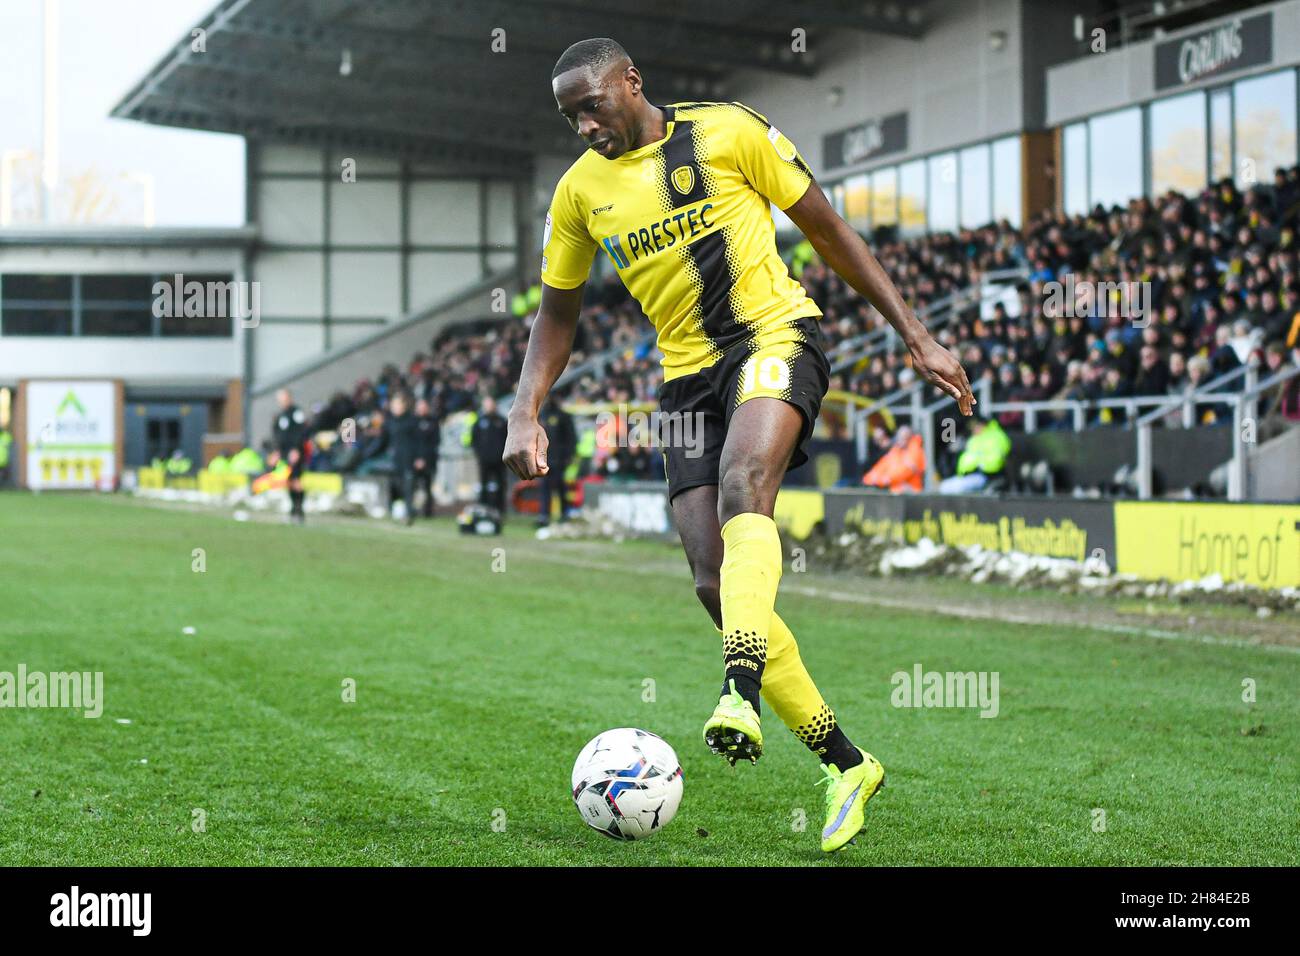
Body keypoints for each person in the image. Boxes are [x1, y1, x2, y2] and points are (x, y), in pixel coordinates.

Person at [503, 38, 973, 853]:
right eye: (570, 116)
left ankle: (739, 689)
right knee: (711, 579)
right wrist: (525, 408)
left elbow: (828, 231)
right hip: (685, 381)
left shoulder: (728, 131)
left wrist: (916, 336)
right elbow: (557, 313)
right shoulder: (578, 192)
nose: (584, 125)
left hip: (773, 335)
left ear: (632, 82)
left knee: (744, 482)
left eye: (593, 105)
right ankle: (848, 764)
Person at [938, 417, 1010, 494]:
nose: (973, 429)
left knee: (952, 488)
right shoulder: (974, 439)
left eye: (975, 426)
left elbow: (995, 461)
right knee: (944, 486)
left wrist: (978, 464)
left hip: (986, 475)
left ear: (982, 425)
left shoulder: (996, 437)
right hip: (968, 475)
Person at [271, 389, 309, 523]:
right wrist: (276, 451)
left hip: (294, 452)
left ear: (289, 398)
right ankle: (293, 508)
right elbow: (277, 434)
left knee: (296, 480)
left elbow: (301, 431)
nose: (281, 401)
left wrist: (296, 449)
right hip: (284, 453)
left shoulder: (296, 412)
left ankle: (299, 509)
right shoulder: (281, 415)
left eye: (283, 398)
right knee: (287, 481)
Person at [538, 395, 576, 525]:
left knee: (560, 487)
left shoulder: (563, 416)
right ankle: (544, 516)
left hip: (560, 459)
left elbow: (571, 438)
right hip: (544, 459)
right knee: (544, 488)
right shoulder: (541, 415)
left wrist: (568, 456)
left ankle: (564, 514)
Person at [471, 395, 509, 516]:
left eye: (490, 404)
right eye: (486, 404)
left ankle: (499, 509)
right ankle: (484, 507)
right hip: (484, 459)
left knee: (500, 485)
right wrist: (478, 453)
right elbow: (474, 439)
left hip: (499, 459)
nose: (488, 407)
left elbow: (507, 439)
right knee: (483, 485)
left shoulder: (502, 421)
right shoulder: (479, 421)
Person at [385, 393, 418, 525]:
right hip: (395, 460)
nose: (395, 407)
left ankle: (408, 514)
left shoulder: (411, 421)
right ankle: (395, 511)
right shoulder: (390, 422)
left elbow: (418, 441)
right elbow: (384, 440)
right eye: (393, 405)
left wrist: (419, 457)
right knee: (396, 486)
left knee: (408, 487)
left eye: (397, 404)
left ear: (404, 406)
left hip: (409, 459)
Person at [861, 425, 925, 493]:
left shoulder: (916, 451)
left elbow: (901, 473)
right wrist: (870, 479)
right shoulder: (896, 451)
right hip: (894, 493)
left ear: (910, 437)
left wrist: (882, 479)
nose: (901, 439)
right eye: (900, 437)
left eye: (904, 437)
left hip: (913, 494)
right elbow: (880, 467)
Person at [413, 398, 440, 519]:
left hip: (429, 460)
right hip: (414, 460)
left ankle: (427, 512)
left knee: (428, 486)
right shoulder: (412, 421)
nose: (422, 409)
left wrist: (424, 459)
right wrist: (416, 458)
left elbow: (435, 442)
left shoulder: (433, 421)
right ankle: (413, 509)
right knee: (413, 486)